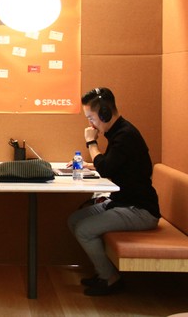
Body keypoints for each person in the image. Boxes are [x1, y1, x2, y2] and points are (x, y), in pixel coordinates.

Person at [67, 87, 160, 296]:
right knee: (74, 220)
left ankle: (110, 278)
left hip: (140, 210)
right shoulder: (119, 133)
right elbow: (115, 164)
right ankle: (104, 271)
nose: (91, 124)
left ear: (105, 114)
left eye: (91, 118)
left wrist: (91, 142)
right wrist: (90, 165)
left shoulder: (125, 136)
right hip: (122, 203)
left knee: (84, 230)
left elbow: (107, 169)